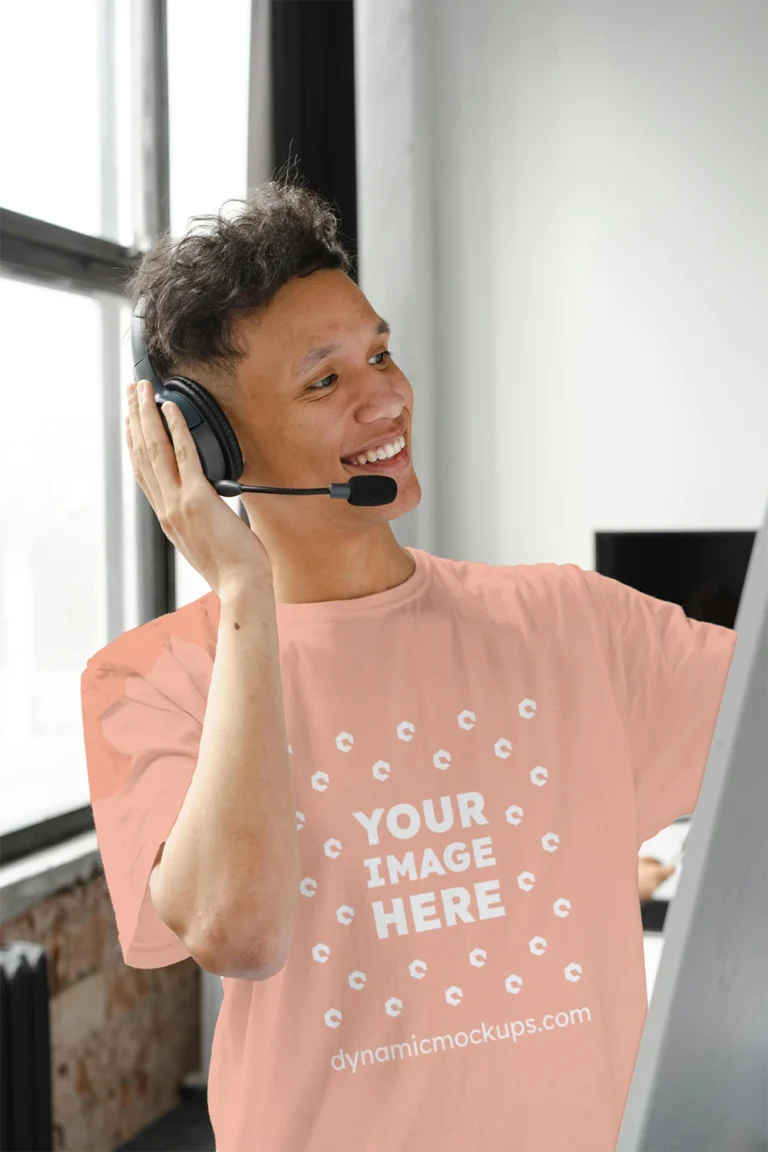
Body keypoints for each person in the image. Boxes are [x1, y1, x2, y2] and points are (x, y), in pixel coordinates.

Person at [79, 175, 737, 1152]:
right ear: (209, 447)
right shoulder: (153, 681)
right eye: (324, 380)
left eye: (379, 352)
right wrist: (245, 591)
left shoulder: (573, 624)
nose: (385, 394)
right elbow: (239, 928)